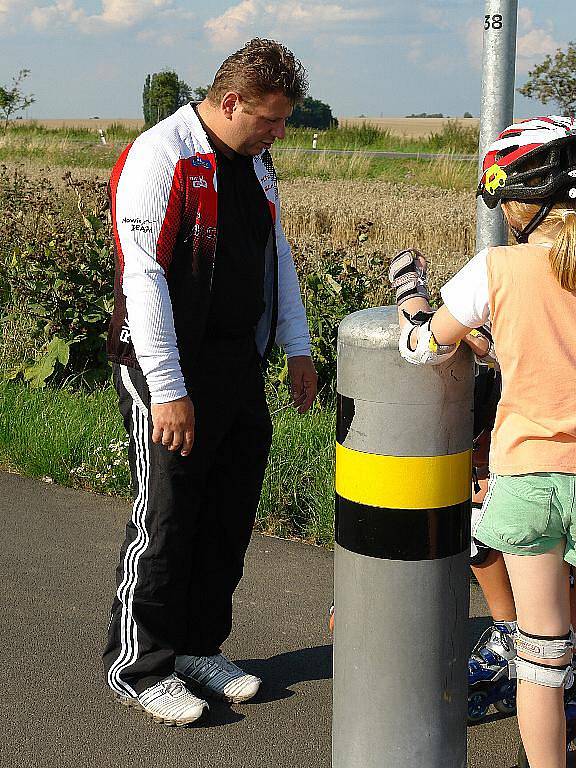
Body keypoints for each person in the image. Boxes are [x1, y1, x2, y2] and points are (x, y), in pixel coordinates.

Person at [103, 38, 318, 726]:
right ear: (231, 102)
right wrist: (168, 388)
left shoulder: (257, 163)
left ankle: (198, 646)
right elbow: (143, 276)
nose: (279, 133)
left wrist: (298, 346)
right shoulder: (162, 156)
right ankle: (140, 667)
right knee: (167, 516)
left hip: (235, 363)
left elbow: (273, 250)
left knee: (227, 512)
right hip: (163, 363)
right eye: (271, 120)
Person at [389, 115, 576, 767]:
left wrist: (412, 301)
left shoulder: (496, 268)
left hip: (529, 479)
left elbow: (422, 350)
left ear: (522, 202)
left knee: (543, 657)